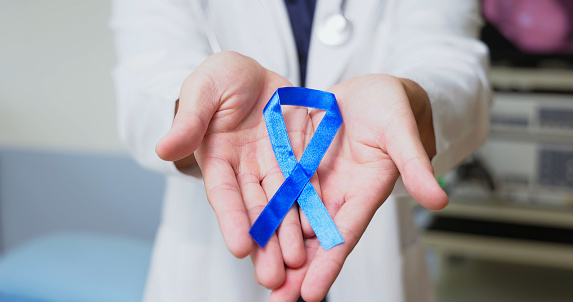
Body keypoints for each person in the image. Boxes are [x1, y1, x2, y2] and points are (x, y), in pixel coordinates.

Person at [110, 0, 490, 301]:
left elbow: (451, 62)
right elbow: (146, 75)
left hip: (373, 254)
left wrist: (411, 102)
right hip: (213, 268)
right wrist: (195, 112)